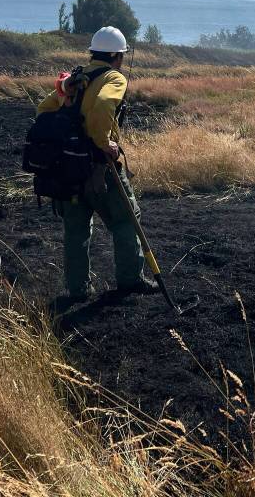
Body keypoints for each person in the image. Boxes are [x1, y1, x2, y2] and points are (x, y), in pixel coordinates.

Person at [35, 26, 158, 304]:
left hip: (67, 169)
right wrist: (104, 143)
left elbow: (43, 110)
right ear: (117, 56)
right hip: (99, 167)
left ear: (93, 52)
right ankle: (130, 280)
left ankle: (78, 289)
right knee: (126, 220)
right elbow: (103, 105)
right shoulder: (114, 77)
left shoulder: (74, 80)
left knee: (76, 229)